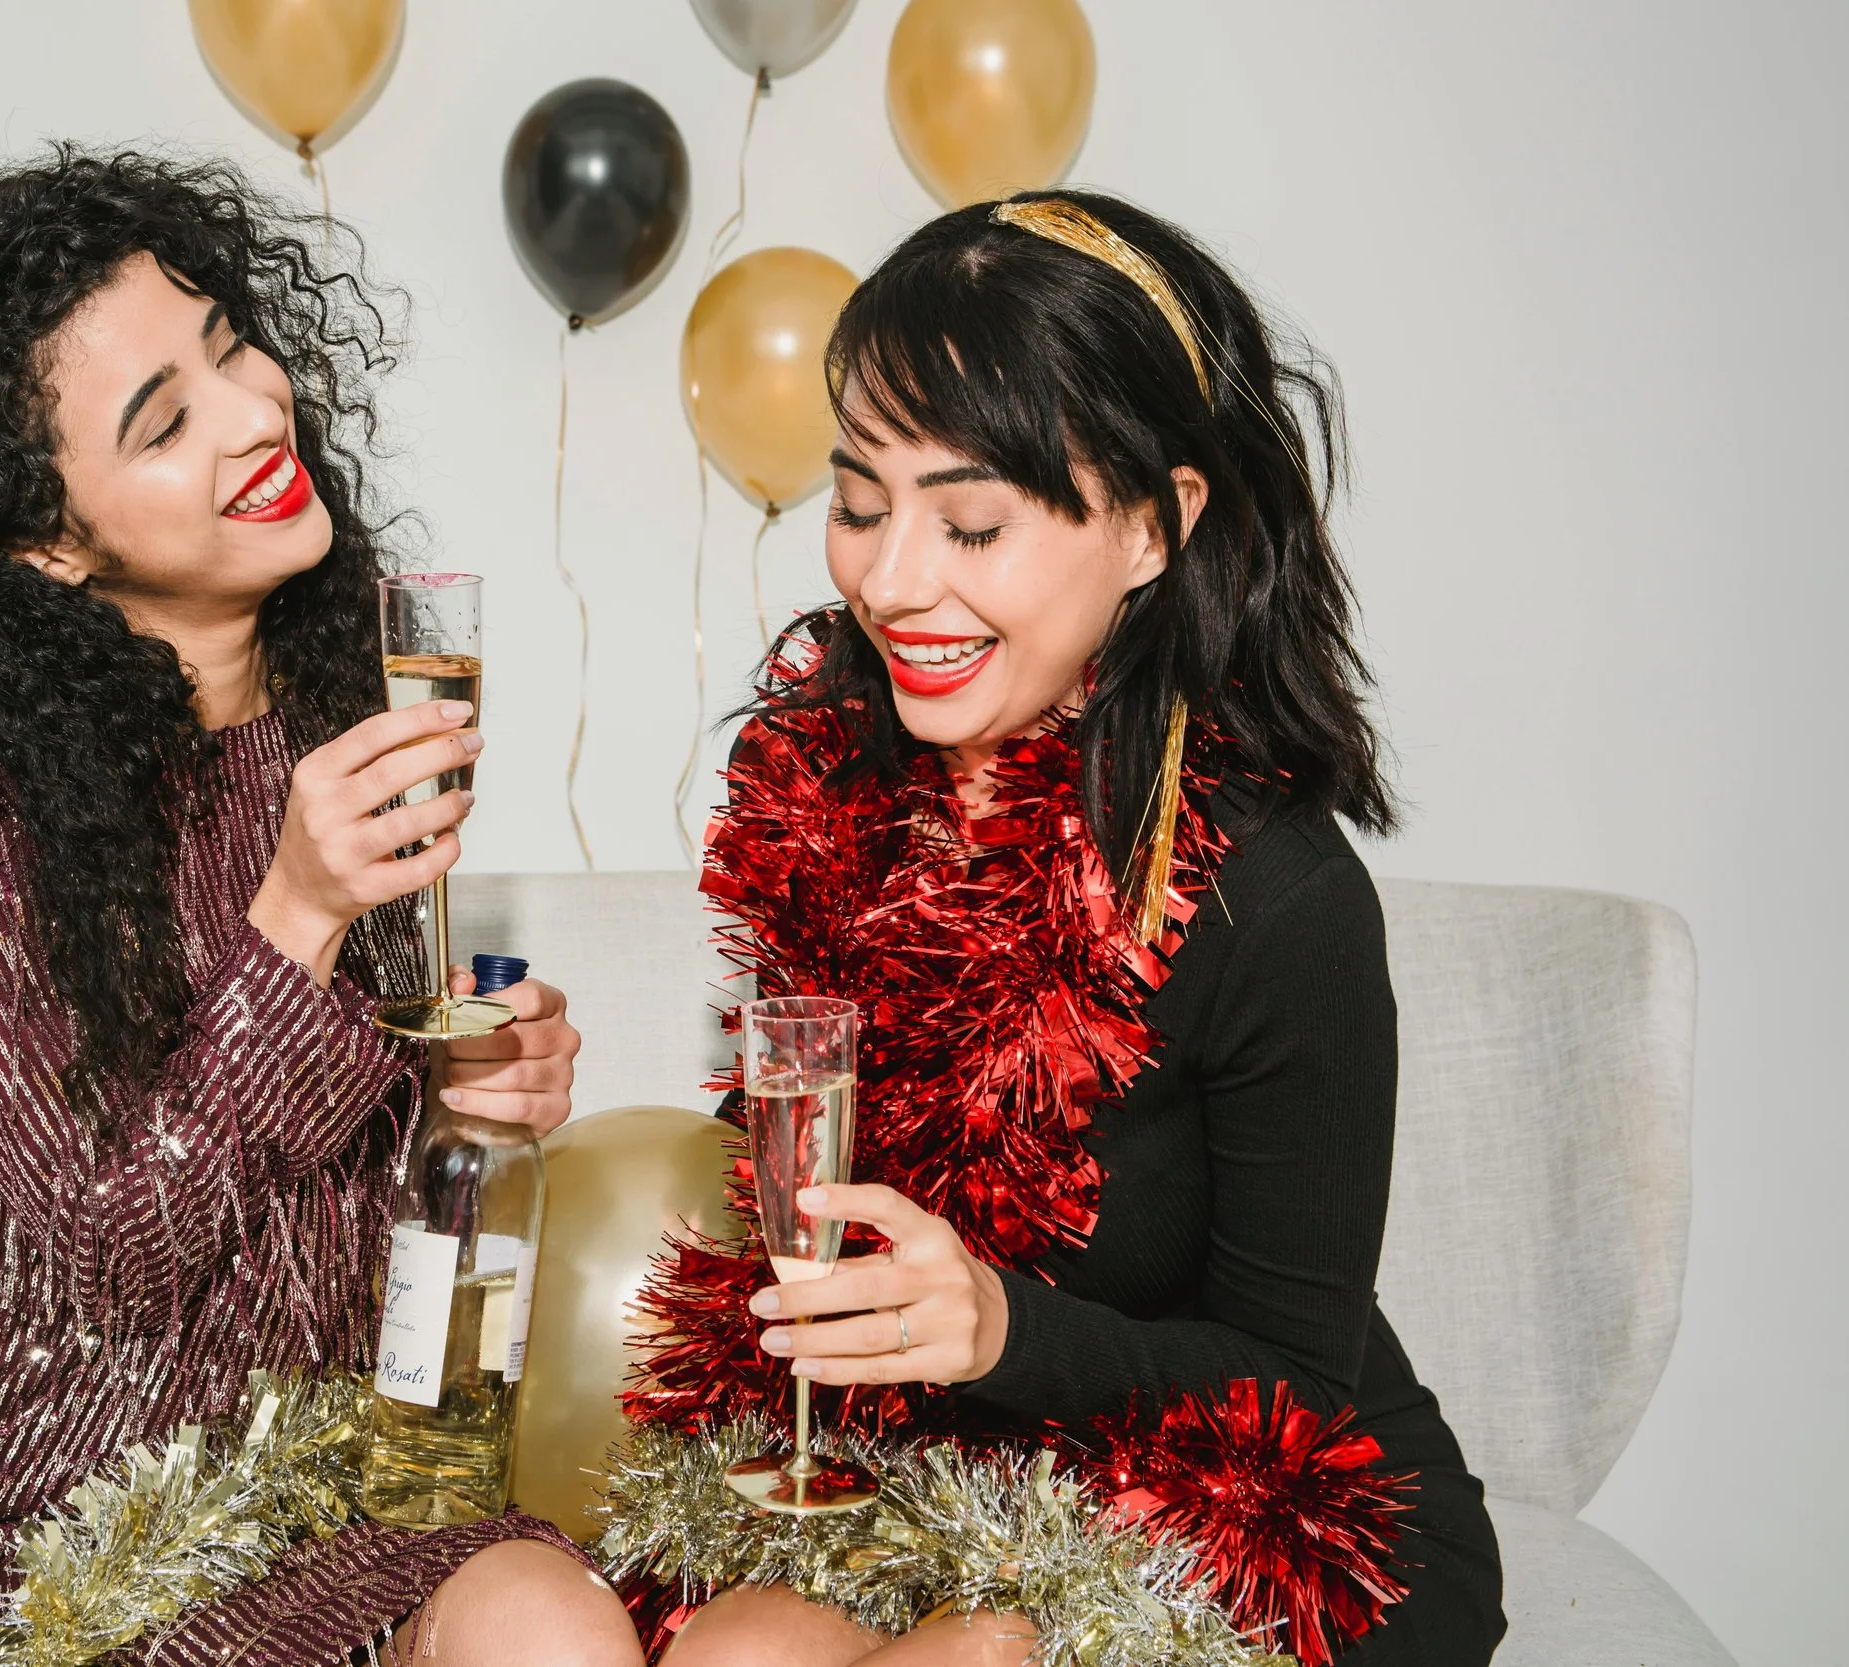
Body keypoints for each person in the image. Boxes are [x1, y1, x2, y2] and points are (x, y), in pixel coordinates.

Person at [0, 147, 642, 1667]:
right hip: (50, 1553)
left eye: (230, 346)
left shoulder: (338, 739)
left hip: (323, 1510)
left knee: (551, 1619)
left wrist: (468, 1099)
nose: (253, 410)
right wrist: (292, 913)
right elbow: (113, 1258)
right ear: (47, 541)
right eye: (164, 420)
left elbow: (325, 1223)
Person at [624, 194, 1506, 1666]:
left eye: (971, 520)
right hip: (951, 1478)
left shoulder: (1274, 892)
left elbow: (1297, 1383)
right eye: (858, 501)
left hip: (1265, 1508)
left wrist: (1000, 1329)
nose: (893, 579)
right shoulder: (830, 795)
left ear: (1155, 526)